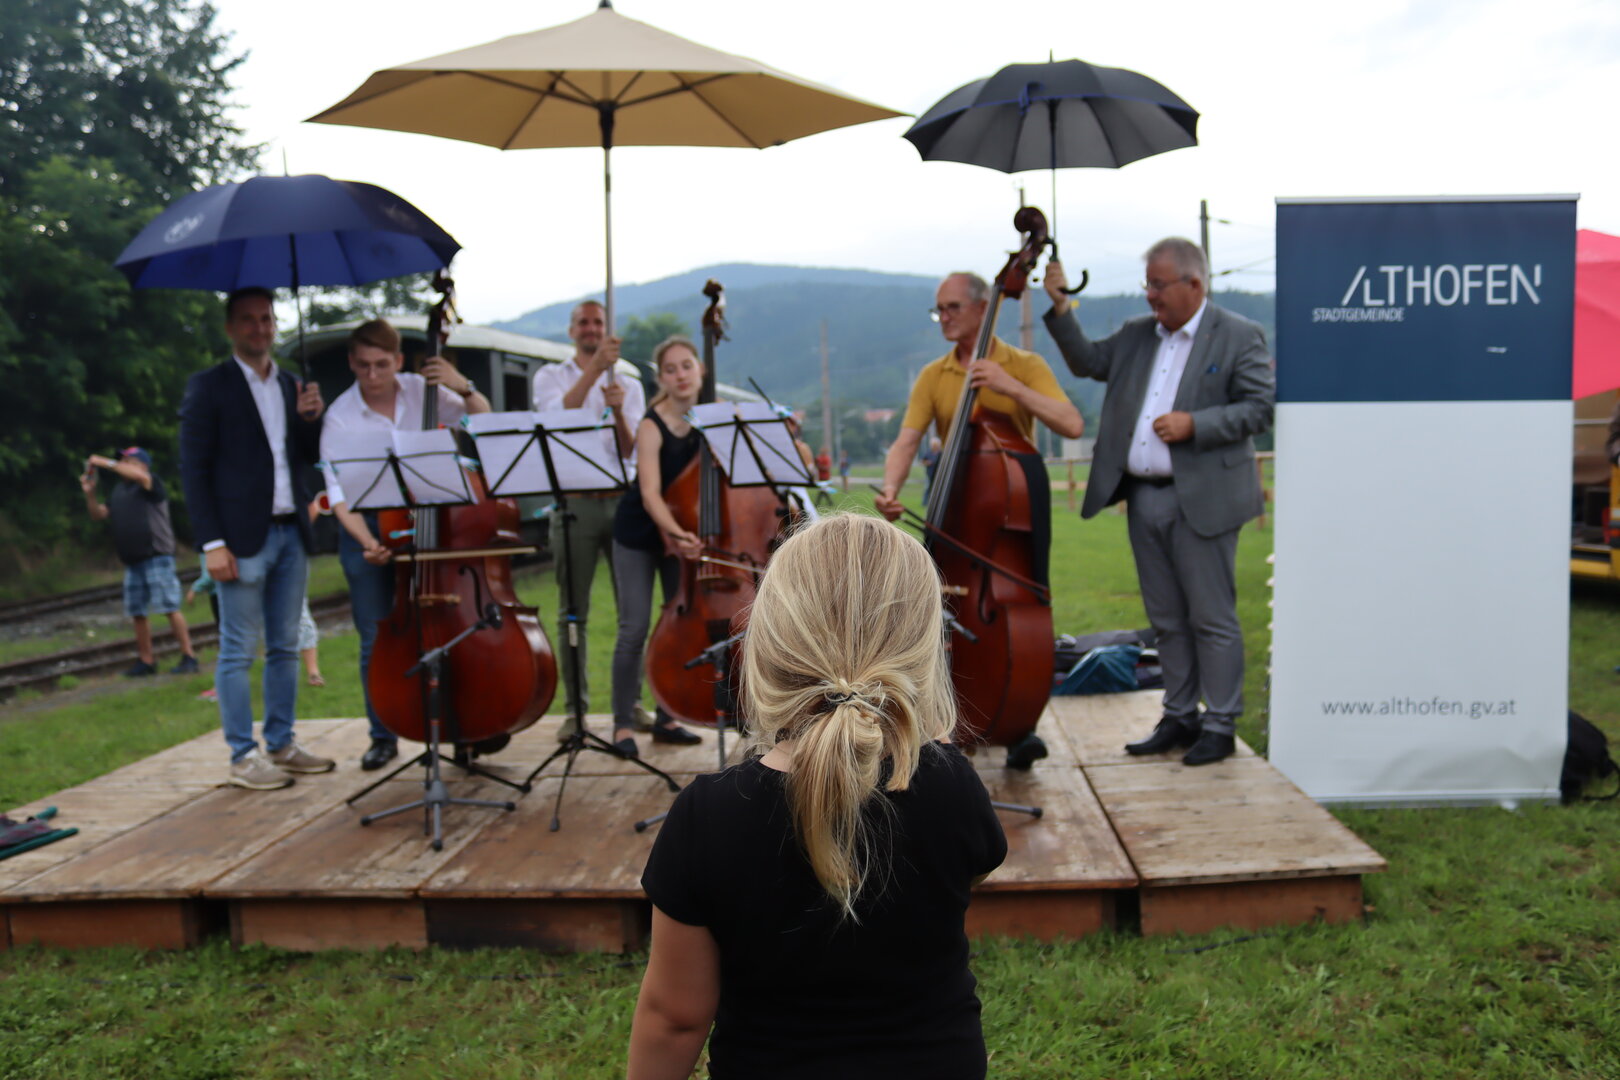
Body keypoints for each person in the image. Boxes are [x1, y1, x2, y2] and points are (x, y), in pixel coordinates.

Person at [629, 513, 1007, 1080]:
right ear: (925, 649)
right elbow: (967, 875)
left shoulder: (709, 816)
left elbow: (675, 1019)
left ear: (769, 641)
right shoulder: (953, 787)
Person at [1043, 238, 1275, 766]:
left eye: (1158, 284)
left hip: (1205, 499)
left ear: (1194, 283)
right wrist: (1060, 306)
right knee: (1166, 618)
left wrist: (1197, 424)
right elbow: (1086, 361)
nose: (1150, 294)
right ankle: (1179, 715)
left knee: (1211, 617)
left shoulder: (1238, 334)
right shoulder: (1136, 334)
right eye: (1147, 283)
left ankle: (1220, 723)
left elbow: (1259, 408)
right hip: (1144, 497)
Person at [319, 318, 491, 771]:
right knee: (377, 636)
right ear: (351, 363)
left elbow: (482, 420)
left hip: (431, 520)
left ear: (397, 361)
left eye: (381, 364)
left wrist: (462, 385)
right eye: (363, 366)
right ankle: (383, 735)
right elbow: (337, 492)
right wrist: (367, 541)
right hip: (369, 524)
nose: (372, 374)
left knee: (447, 625)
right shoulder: (339, 415)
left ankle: (460, 728)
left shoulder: (420, 389)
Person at [178, 285, 332, 790]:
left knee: (286, 645)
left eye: (266, 318)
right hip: (241, 538)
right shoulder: (209, 387)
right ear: (230, 328)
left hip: (291, 531)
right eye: (248, 319)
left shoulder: (291, 385)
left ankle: (282, 744)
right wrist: (211, 543)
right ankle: (243, 756)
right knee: (238, 649)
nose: (259, 328)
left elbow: (310, 456)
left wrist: (312, 419)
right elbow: (193, 470)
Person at [875, 272, 1083, 521]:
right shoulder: (932, 374)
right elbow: (906, 443)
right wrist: (890, 489)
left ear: (983, 308)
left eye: (954, 307)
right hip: (953, 497)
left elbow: (1072, 425)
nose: (944, 318)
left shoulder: (1027, 365)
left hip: (1015, 504)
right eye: (940, 310)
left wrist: (1011, 386)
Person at [532, 300, 645, 735]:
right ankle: (574, 711)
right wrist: (594, 370)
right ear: (571, 330)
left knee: (631, 612)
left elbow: (631, 451)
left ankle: (630, 705)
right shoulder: (550, 376)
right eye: (584, 322)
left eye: (598, 322)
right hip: (574, 503)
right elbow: (555, 422)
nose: (591, 328)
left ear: (607, 329)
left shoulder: (628, 384)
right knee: (571, 611)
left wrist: (617, 411)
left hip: (621, 501)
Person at [605, 336, 708, 756]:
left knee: (679, 627)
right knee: (634, 628)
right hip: (640, 534)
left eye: (687, 366)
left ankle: (667, 717)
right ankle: (622, 725)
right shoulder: (652, 423)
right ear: (661, 378)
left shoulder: (714, 416)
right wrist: (678, 534)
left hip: (683, 534)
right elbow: (649, 494)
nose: (680, 375)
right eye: (670, 369)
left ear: (700, 370)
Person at [80, 446, 198, 677]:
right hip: (132, 561)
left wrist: (104, 462)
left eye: (128, 461)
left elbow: (140, 477)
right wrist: (90, 494)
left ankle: (189, 656)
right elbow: (98, 514)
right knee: (137, 612)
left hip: (157, 556)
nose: (122, 464)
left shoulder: (150, 482)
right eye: (122, 461)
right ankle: (146, 661)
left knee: (169, 607)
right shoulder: (119, 491)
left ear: (142, 465)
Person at [920, 436, 943, 504]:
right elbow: (922, 461)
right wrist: (928, 462)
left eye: (936, 445)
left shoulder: (941, 453)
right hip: (929, 473)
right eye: (933, 445)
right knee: (928, 487)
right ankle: (925, 502)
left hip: (939, 474)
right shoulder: (928, 453)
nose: (934, 446)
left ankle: (936, 501)